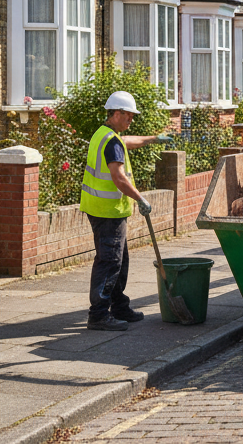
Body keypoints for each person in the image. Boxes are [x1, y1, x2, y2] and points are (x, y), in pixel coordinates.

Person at [81, 91, 158, 331]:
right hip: (108, 211)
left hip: (103, 209)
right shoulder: (112, 141)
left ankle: (119, 306)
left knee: (119, 261)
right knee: (109, 262)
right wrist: (140, 198)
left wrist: (153, 139)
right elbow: (118, 178)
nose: (131, 120)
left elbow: (129, 142)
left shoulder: (103, 135)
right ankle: (99, 315)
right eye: (128, 115)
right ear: (116, 113)